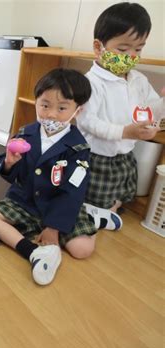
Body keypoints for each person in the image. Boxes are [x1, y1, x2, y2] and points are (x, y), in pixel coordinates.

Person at [0, 69, 97, 286]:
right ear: (35, 103)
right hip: (25, 201)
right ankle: (31, 250)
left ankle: (93, 217)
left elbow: (73, 191)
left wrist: (54, 228)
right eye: (45, 105)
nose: (51, 114)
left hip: (60, 204)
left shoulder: (78, 147)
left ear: (77, 111)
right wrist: (8, 163)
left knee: (82, 249)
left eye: (62, 108)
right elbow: (9, 173)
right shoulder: (25, 134)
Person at [76, 2, 162, 228]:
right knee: (95, 191)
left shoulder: (138, 80)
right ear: (99, 47)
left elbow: (151, 109)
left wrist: (161, 107)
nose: (131, 56)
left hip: (124, 153)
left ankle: (106, 208)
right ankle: (91, 209)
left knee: (122, 190)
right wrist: (124, 131)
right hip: (97, 155)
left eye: (138, 49)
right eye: (123, 50)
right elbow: (87, 121)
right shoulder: (90, 83)